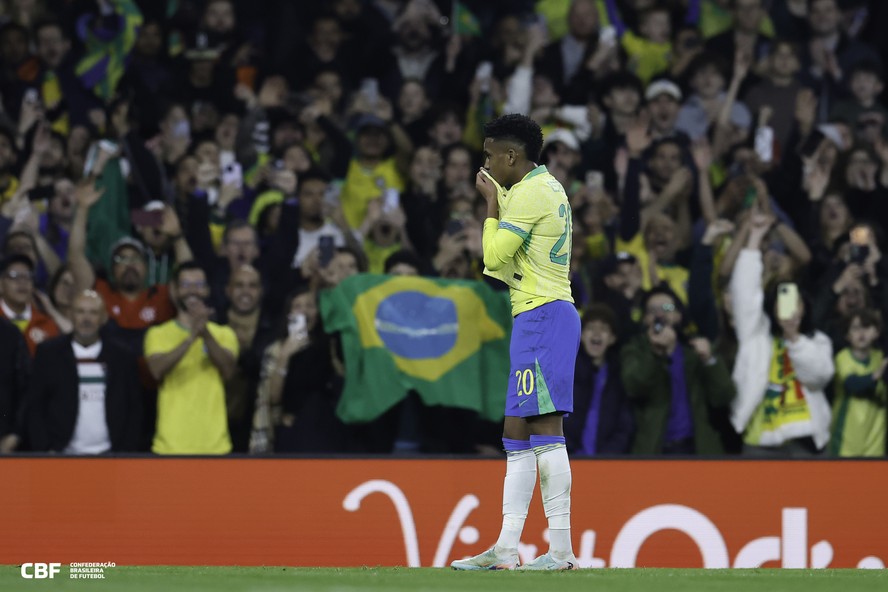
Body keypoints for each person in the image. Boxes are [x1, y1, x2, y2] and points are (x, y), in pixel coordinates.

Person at [451, 114, 579, 571]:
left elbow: (492, 257)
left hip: (545, 316)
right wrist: (500, 194)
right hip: (537, 316)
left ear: (511, 157)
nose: (485, 163)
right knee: (515, 432)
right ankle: (506, 547)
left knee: (546, 431)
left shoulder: (526, 195)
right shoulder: (545, 188)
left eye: (489, 155)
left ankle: (561, 550)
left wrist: (490, 204)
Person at [27, 290, 141, 453]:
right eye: (80, 312)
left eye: (93, 312)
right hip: (61, 455)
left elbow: (134, 409)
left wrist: (125, 451)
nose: (86, 319)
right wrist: (46, 449)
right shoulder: (48, 353)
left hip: (111, 456)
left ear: (104, 318)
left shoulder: (123, 357)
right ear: (70, 315)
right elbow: (36, 406)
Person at [144, 262, 238, 455]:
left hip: (215, 446)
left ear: (207, 290)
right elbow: (156, 370)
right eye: (186, 285)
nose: (193, 290)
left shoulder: (224, 334)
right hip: (170, 446)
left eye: (199, 284)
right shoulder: (157, 333)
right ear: (175, 290)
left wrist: (205, 333)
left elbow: (228, 370)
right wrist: (190, 338)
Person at [830, 309, 886, 457]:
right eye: (855, 328)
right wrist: (878, 374)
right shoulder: (843, 358)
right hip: (846, 437)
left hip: (875, 439)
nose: (861, 333)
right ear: (847, 335)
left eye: (866, 327)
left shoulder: (879, 357)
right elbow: (853, 384)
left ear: (876, 332)